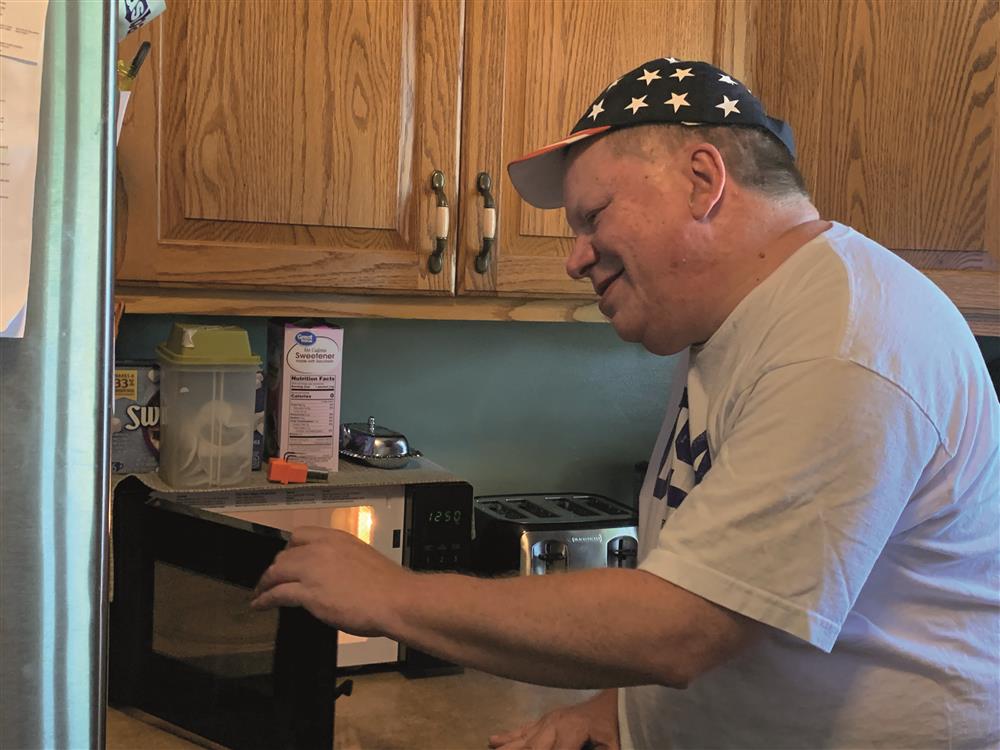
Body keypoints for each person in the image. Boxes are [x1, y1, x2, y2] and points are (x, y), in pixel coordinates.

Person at [252, 59, 1000, 749]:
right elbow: (726, 582)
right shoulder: (738, 323)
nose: (574, 256)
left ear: (704, 180)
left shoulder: (844, 342)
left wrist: (391, 596)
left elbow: (683, 629)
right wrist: (617, 709)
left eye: (592, 215)